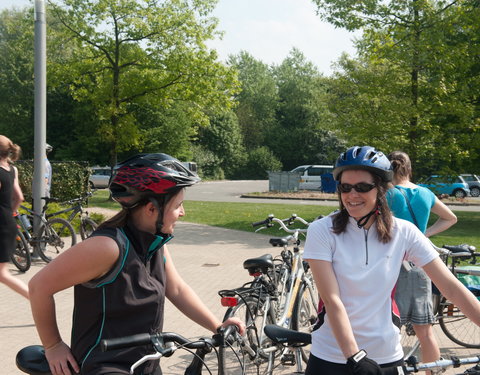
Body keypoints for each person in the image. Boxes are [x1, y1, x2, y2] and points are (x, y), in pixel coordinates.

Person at [28, 153, 245, 375]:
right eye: (178, 205)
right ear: (151, 209)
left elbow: (177, 289)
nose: (182, 212)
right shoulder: (108, 247)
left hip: (145, 364)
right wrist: (53, 345)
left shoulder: (155, 243)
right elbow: (39, 287)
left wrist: (217, 326)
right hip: (105, 367)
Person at [303, 145, 480, 375]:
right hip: (333, 355)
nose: (352, 195)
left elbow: (451, 287)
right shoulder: (322, 230)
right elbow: (332, 299)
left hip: (386, 354)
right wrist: (355, 356)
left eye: (362, 187)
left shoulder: (404, 232)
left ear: (381, 190)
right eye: (345, 187)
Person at [387, 150, 457, 371]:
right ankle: (431, 371)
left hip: (391, 263)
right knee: (425, 332)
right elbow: (450, 218)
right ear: (409, 168)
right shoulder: (426, 193)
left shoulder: (387, 194)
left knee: (389, 327)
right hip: (421, 264)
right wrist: (424, 234)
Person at [0, 135, 29, 299]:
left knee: (2, 274)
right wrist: (9, 213)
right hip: (7, 222)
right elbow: (19, 197)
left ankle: (36, 298)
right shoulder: (12, 169)